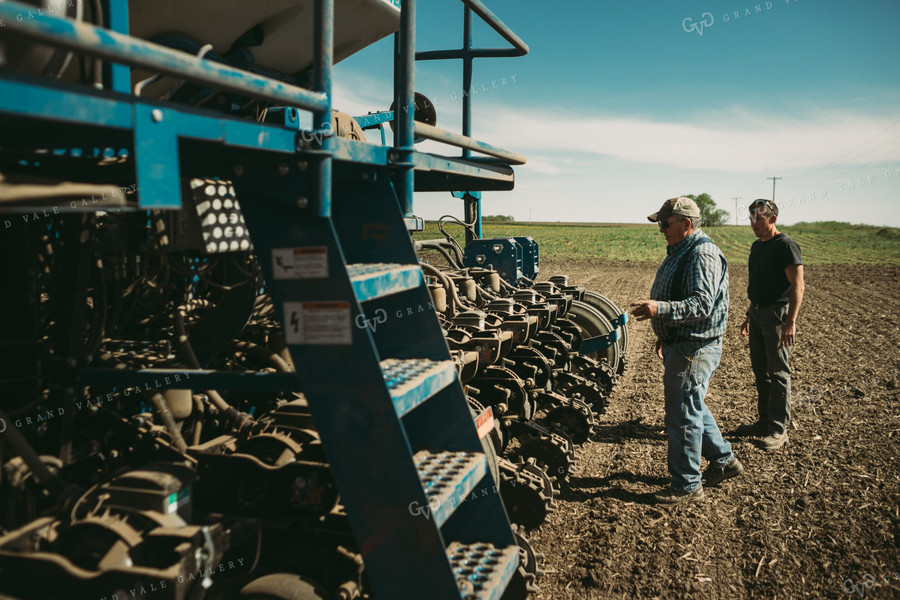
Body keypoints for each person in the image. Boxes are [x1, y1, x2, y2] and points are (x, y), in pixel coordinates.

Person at [631, 197, 743, 505]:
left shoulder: (702, 254)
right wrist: (666, 333)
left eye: (665, 224)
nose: (661, 230)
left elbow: (701, 304)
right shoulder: (682, 250)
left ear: (686, 224)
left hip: (696, 345)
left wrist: (660, 309)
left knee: (682, 413)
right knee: (691, 405)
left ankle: (687, 485)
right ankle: (723, 461)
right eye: (660, 225)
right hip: (683, 341)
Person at [736, 199, 804, 451]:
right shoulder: (757, 246)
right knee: (761, 373)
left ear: (773, 219)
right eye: (751, 218)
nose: (754, 223)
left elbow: (798, 285)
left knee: (778, 374)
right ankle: (763, 421)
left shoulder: (785, 246)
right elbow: (759, 284)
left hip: (777, 315)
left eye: (760, 219)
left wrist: (790, 322)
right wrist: (749, 314)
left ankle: (778, 430)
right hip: (757, 314)